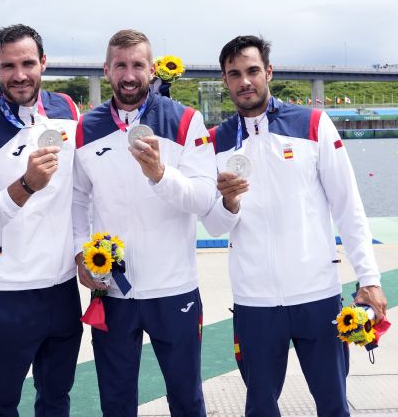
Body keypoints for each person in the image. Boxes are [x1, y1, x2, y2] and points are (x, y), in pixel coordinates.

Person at [202, 35, 388, 416]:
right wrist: (229, 202)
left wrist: (369, 279)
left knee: (333, 406)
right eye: (234, 74)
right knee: (260, 408)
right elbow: (215, 225)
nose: (245, 81)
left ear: (269, 71)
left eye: (253, 70)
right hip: (255, 303)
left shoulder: (314, 124)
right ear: (225, 80)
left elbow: (348, 205)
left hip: (317, 296)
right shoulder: (215, 142)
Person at [72, 29, 217, 416]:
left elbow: (204, 198)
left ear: (152, 70)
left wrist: (159, 174)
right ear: (107, 70)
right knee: (116, 404)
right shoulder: (85, 127)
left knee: (186, 400)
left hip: (174, 289)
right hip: (114, 291)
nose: (129, 74)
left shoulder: (186, 120)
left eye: (138, 65)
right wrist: (78, 253)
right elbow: (76, 199)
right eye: (121, 65)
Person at [0, 24, 83, 416]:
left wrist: (79, 252)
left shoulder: (67, 110)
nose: (19, 74)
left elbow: (77, 194)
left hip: (61, 289)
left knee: (57, 399)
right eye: (9, 65)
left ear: (44, 62)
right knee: (1, 404)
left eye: (28, 63)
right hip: (7, 295)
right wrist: (25, 185)